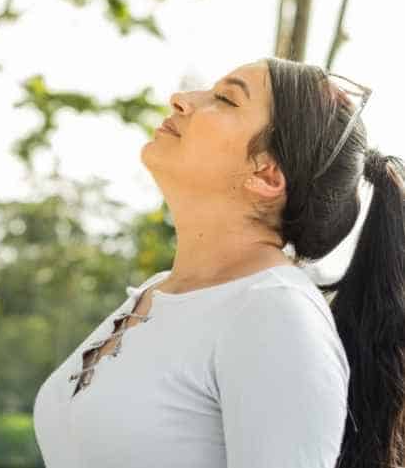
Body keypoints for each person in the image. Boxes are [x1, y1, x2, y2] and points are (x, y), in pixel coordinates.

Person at [32, 56, 405, 468]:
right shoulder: (159, 291)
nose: (180, 100)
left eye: (225, 99)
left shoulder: (274, 314)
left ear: (265, 176)